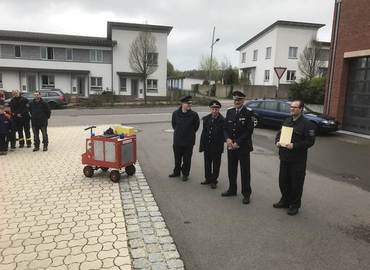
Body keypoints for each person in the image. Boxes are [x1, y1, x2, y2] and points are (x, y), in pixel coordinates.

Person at [274, 100, 315, 215]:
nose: (292, 109)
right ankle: (285, 200)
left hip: (297, 160)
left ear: (301, 109)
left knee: (296, 184)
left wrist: (295, 145)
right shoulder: (287, 120)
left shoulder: (307, 124)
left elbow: (310, 141)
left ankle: (294, 205)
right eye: (291, 107)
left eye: (295, 107)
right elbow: (279, 134)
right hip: (284, 158)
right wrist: (277, 142)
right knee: (283, 181)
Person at [222, 91, 254, 204]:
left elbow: (249, 131)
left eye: (239, 100)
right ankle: (232, 189)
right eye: (235, 100)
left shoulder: (248, 112)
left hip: (243, 147)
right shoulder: (230, 111)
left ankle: (246, 194)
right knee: (231, 169)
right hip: (231, 146)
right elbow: (225, 128)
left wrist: (238, 142)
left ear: (243, 101)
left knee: (245, 171)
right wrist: (227, 139)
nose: (237, 102)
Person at [169, 95, 200, 181]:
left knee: (187, 160)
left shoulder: (194, 115)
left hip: (188, 141)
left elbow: (196, 127)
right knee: (177, 158)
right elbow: (174, 125)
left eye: (190, 103)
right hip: (178, 140)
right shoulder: (175, 113)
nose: (189, 105)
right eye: (187, 103)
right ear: (182, 104)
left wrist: (188, 133)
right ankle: (176, 172)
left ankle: (185, 174)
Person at [199, 100, 225, 189]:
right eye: (213, 109)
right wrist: (202, 146)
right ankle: (208, 178)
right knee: (207, 163)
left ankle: (214, 180)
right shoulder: (206, 119)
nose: (214, 111)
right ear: (210, 109)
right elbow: (204, 133)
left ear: (219, 110)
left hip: (217, 147)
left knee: (216, 165)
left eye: (216, 109)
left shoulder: (222, 120)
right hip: (207, 146)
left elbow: (224, 134)